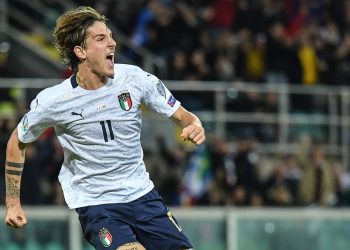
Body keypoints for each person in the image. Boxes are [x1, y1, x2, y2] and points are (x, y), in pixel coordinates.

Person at [4, 6, 205, 250]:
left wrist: (194, 124)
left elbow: (182, 115)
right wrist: (13, 202)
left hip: (142, 195)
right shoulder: (54, 101)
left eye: (110, 36)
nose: (113, 43)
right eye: (101, 38)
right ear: (81, 51)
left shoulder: (135, 79)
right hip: (97, 203)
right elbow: (17, 141)